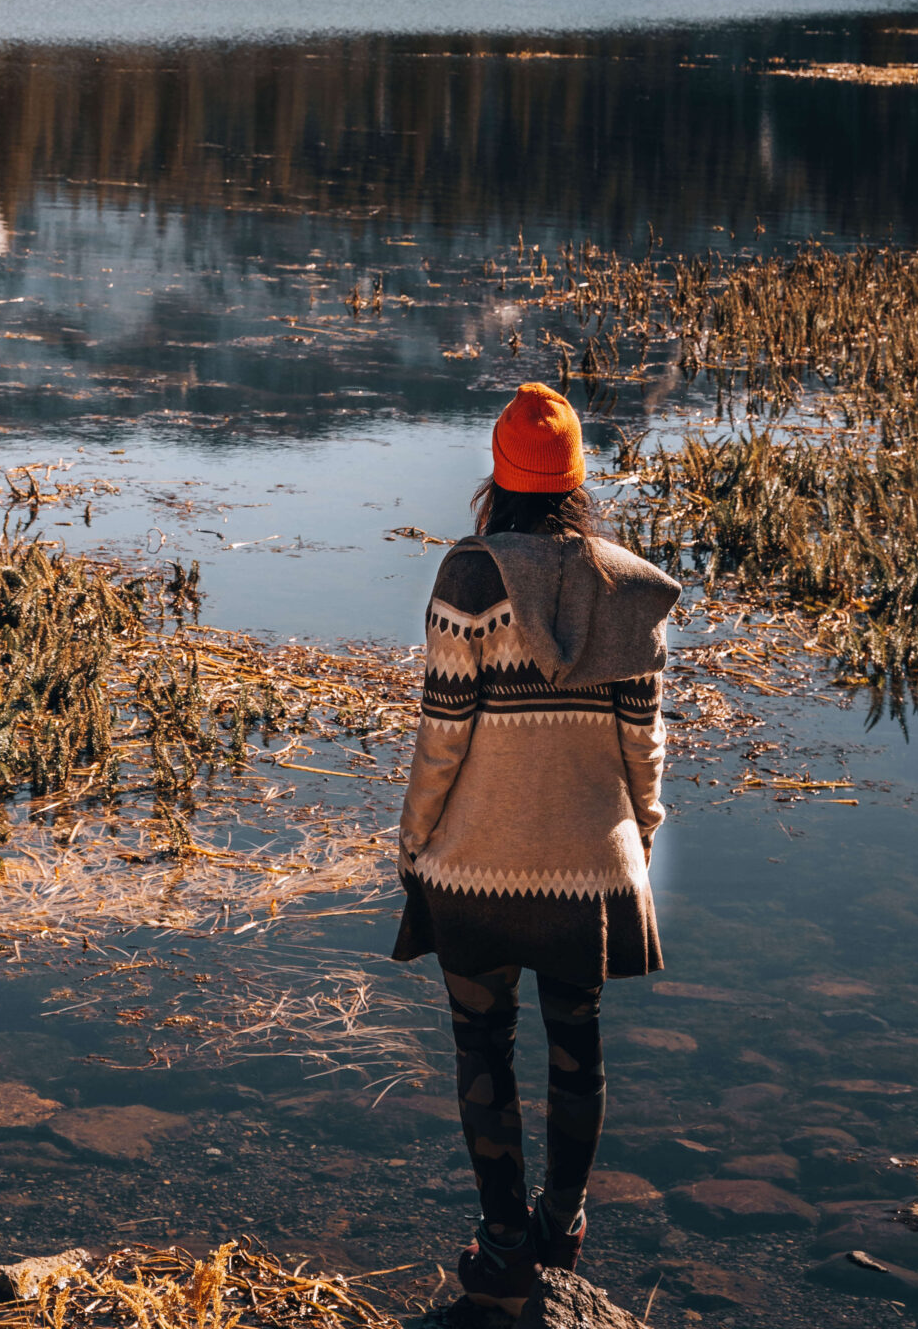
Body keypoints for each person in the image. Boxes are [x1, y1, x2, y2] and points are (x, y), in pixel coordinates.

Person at [393, 382, 679, 1309]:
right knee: (576, 1042)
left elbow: (443, 736)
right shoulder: (631, 588)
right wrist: (641, 832)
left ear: (499, 475)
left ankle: (505, 1243)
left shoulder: (468, 579)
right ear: (577, 477)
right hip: (590, 871)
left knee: (483, 1041)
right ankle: (565, 1227)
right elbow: (645, 743)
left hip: (474, 869)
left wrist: (415, 842)